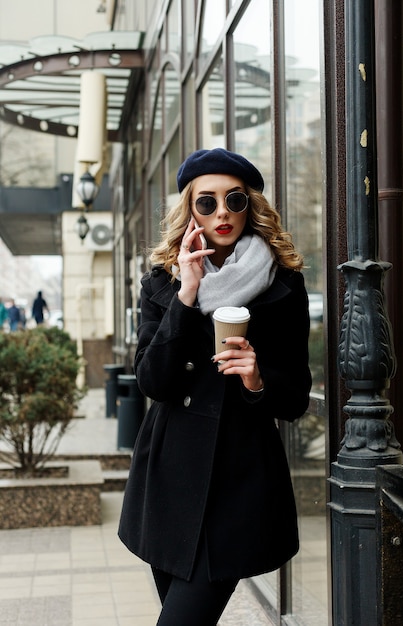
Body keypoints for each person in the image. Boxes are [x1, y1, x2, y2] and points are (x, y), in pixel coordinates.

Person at [118, 148, 312, 626]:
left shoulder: (283, 285)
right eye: (207, 202)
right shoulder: (162, 284)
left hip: (239, 482)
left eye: (235, 199)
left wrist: (257, 376)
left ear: (252, 207)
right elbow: (152, 382)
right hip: (168, 479)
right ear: (190, 210)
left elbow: (296, 399)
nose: (222, 212)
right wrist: (186, 293)